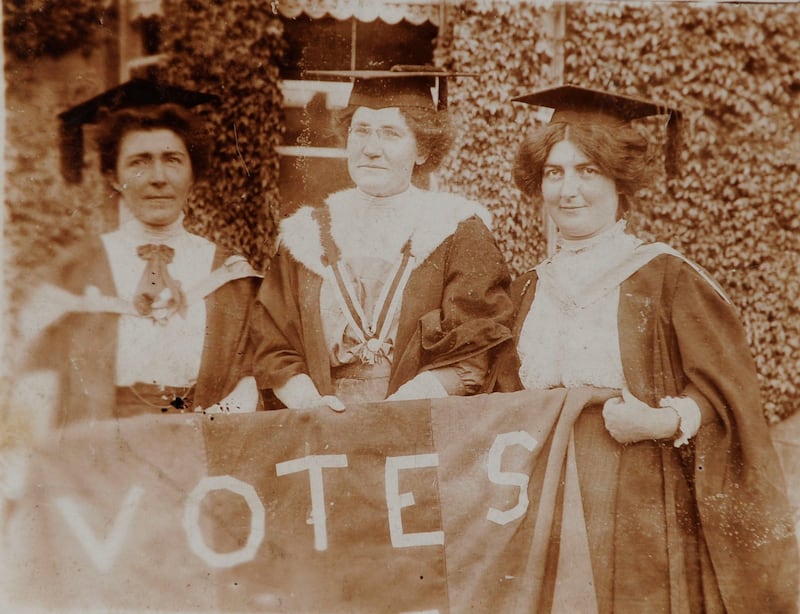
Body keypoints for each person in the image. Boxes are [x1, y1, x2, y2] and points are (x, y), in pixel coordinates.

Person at [493, 85, 798, 612]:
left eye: (588, 171)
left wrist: (661, 422)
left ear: (620, 179)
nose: (569, 190)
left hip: (638, 502)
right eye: (554, 172)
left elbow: (734, 396)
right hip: (542, 506)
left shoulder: (667, 278)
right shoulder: (526, 290)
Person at [251, 67, 513, 410]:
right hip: (320, 425)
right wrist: (308, 403)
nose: (370, 148)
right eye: (360, 131)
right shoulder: (306, 234)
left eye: (390, 133)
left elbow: (476, 348)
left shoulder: (457, 229)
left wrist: (395, 410)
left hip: (417, 422)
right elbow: (274, 346)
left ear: (422, 149)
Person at [18, 79, 262, 424]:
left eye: (173, 160)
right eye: (139, 162)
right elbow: (38, 388)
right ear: (114, 176)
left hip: (201, 450)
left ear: (194, 174)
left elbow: (252, 379)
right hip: (102, 455)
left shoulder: (229, 274)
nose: (158, 177)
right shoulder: (77, 271)